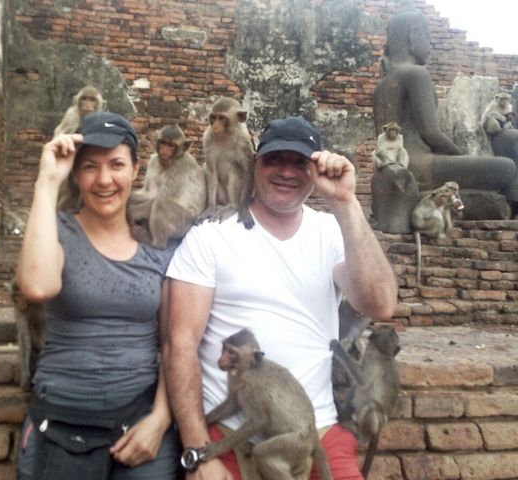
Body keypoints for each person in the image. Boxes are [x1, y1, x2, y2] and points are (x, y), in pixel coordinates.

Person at [162, 116, 399, 479]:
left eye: (299, 162)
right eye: (275, 160)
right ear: (256, 164)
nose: (286, 172)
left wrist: (345, 202)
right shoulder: (211, 236)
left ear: (314, 169)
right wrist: (198, 451)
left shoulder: (329, 232)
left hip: (313, 429)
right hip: (231, 433)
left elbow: (380, 304)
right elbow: (180, 344)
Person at [15, 111, 181, 479]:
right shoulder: (57, 230)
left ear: (136, 169)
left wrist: (160, 418)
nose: (104, 180)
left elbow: (174, 341)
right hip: (58, 421)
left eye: (117, 165)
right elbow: (37, 286)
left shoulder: (158, 243)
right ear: (76, 173)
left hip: (139, 424)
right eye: (90, 167)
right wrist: (47, 181)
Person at [372, 4, 518, 203]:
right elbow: (431, 134)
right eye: (427, 35)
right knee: (507, 167)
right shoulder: (416, 74)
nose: (430, 43)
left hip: (399, 166)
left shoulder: (383, 84)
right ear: (413, 36)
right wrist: (461, 156)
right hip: (420, 166)